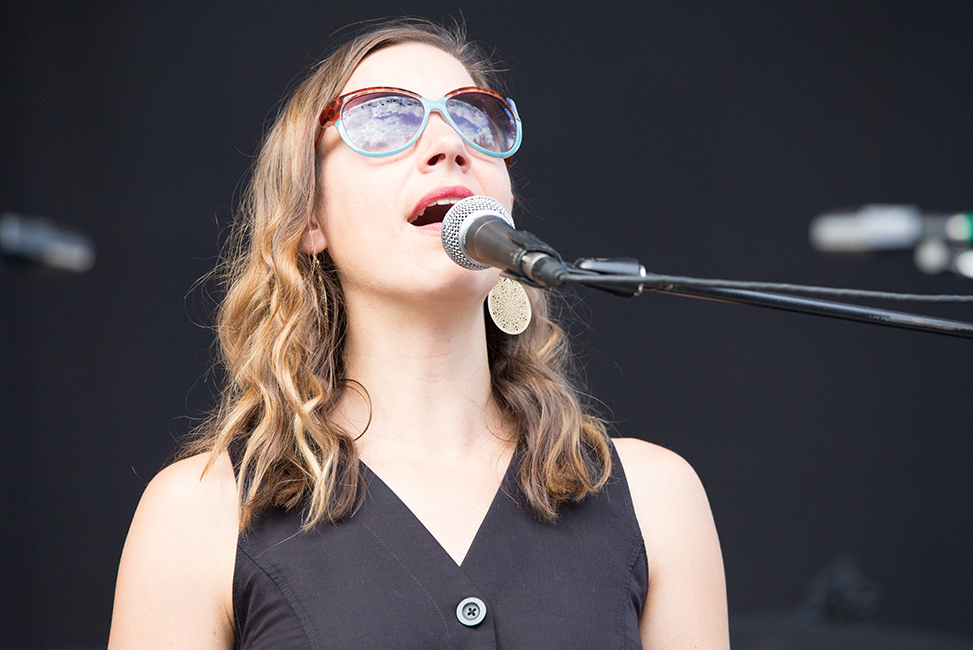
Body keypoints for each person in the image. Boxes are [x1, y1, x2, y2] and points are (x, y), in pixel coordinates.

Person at [108, 19, 728, 649]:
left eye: (475, 119)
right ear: (309, 218)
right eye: (383, 119)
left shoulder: (655, 500)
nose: (448, 144)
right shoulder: (202, 514)